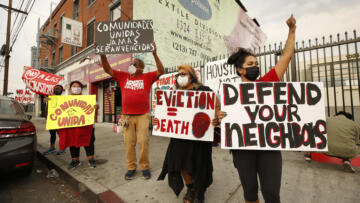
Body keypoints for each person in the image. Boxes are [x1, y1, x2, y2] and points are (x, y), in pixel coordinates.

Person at [217, 15, 296, 203]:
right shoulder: (230, 93)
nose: (255, 67)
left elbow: (286, 56)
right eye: (250, 65)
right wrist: (220, 116)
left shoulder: (266, 83)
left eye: (256, 64)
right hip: (242, 150)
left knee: (271, 193)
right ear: (240, 70)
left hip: (269, 148)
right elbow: (220, 118)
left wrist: (292, 31)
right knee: (250, 192)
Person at [100, 42, 165, 180]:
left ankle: (144, 167)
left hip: (143, 116)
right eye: (131, 63)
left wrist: (154, 54)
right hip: (127, 117)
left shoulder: (147, 77)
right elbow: (107, 69)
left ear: (141, 67)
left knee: (143, 141)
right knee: (129, 143)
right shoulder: (123, 76)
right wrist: (102, 54)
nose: (132, 66)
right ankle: (131, 167)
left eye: (135, 64)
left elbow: (161, 71)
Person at [156, 65, 220, 203]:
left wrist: (217, 118)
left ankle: (199, 189)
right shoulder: (174, 93)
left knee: (199, 164)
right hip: (180, 137)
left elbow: (217, 108)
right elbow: (166, 113)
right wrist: (159, 120)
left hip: (200, 138)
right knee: (180, 163)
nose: (180, 77)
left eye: (183, 74)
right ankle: (191, 188)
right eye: (178, 75)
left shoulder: (204, 91)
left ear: (191, 76)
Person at [59, 81, 99, 169]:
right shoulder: (65, 99)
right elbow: (56, 106)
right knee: (73, 143)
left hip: (87, 126)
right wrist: (50, 102)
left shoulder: (87, 98)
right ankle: (75, 161)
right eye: (74, 86)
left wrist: (96, 107)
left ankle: (91, 160)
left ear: (81, 89)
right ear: (70, 89)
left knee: (89, 143)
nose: (76, 88)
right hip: (72, 126)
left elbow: (96, 105)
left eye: (78, 86)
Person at [43, 84, 66, 155]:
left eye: (59, 89)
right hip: (51, 120)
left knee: (61, 134)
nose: (57, 90)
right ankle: (52, 148)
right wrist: (46, 100)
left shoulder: (64, 99)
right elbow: (46, 108)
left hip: (60, 120)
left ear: (61, 91)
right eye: (56, 88)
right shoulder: (50, 98)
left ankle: (63, 148)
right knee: (52, 134)